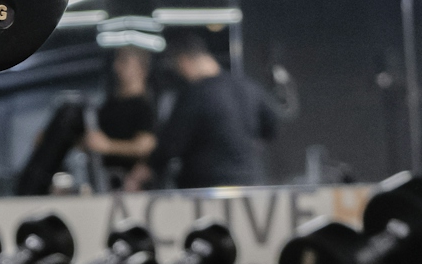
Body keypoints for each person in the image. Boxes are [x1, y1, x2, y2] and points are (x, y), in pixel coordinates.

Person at [130, 32, 280, 190]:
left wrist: (147, 168)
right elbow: (271, 126)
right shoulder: (248, 87)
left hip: (206, 186)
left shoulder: (195, 94)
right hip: (250, 183)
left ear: (184, 61)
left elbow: (171, 144)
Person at [85, 45, 159, 187]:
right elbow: (92, 139)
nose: (116, 67)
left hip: (129, 184)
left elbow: (146, 145)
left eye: (124, 61)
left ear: (141, 68)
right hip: (103, 180)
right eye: (117, 61)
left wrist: (108, 146)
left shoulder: (144, 107)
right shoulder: (110, 105)